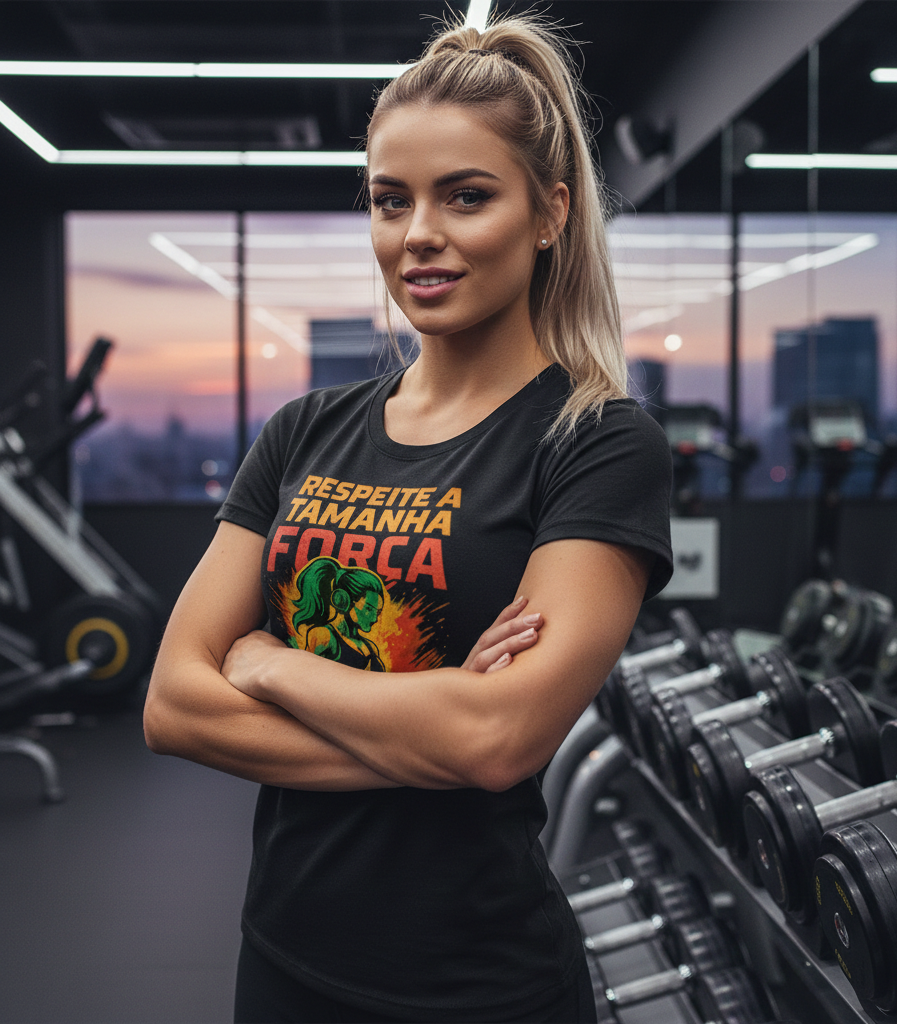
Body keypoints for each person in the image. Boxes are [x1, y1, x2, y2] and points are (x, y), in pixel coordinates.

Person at [144, 13, 673, 1024]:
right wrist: (436, 722)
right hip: (284, 957)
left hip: (479, 984)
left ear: (550, 211)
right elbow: (174, 703)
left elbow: (497, 739)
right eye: (392, 201)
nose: (418, 232)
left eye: (466, 196)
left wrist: (268, 665)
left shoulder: (597, 442)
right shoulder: (303, 430)